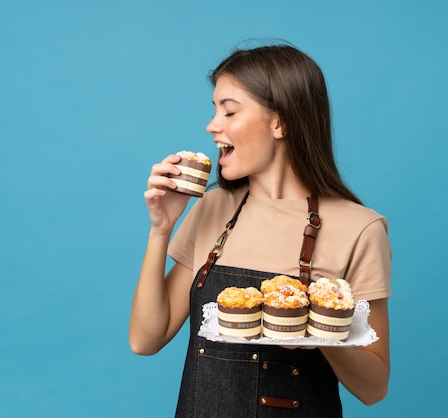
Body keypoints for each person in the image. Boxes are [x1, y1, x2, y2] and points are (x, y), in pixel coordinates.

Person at [129, 43, 392, 417]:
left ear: (279, 122)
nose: (212, 125)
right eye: (215, 109)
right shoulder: (212, 207)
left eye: (229, 111)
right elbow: (145, 339)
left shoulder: (360, 228)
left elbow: (374, 387)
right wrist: (161, 230)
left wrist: (319, 333)